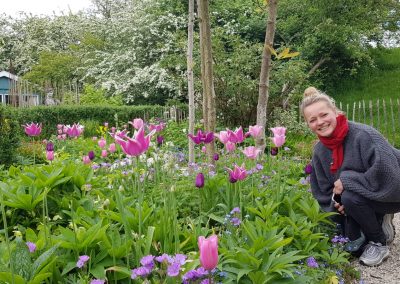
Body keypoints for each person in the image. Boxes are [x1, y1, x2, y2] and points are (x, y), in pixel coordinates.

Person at [300, 86, 400, 266]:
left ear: (335, 111)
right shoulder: (319, 152)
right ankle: (377, 219)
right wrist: (335, 202)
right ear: (308, 124)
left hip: (392, 191)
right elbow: (322, 192)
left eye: (324, 115)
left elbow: (389, 176)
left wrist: (346, 180)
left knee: (349, 196)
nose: (320, 122)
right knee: (354, 247)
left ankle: (379, 242)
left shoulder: (364, 135)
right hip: (356, 200)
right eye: (312, 120)